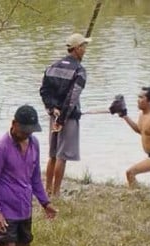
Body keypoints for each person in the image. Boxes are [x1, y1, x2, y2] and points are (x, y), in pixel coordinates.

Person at [0, 105, 57, 246]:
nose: (26, 134)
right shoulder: (1, 148)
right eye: (23, 130)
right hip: (5, 208)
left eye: (30, 131)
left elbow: (35, 177)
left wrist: (45, 203)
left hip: (24, 206)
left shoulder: (34, 144)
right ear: (14, 124)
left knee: (24, 244)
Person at [40, 33, 89, 196]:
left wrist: (52, 108)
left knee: (52, 154)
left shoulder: (52, 66)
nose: (85, 50)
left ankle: (47, 190)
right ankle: (56, 193)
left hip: (54, 115)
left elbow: (44, 90)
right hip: (67, 118)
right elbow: (72, 97)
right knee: (62, 156)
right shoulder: (80, 71)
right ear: (76, 49)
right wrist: (62, 119)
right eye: (83, 47)